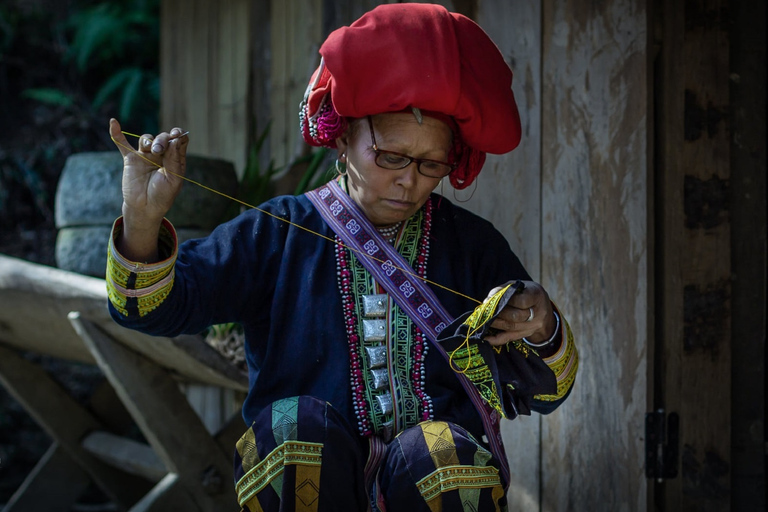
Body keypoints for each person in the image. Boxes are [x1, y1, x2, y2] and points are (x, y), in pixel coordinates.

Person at [106, 4, 578, 511]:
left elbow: (547, 395)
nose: (408, 179)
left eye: (431, 163)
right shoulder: (278, 232)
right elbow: (150, 309)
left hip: (431, 489)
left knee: (442, 455)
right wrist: (142, 218)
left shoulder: (471, 243)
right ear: (344, 136)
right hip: (307, 483)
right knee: (294, 433)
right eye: (391, 156)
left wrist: (542, 321)